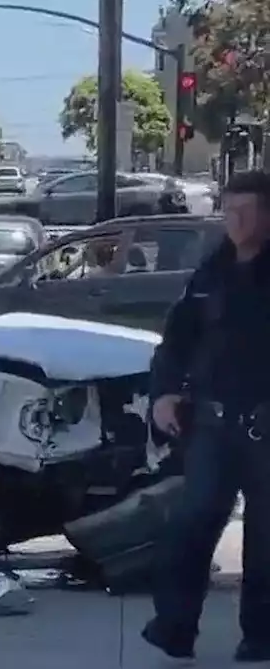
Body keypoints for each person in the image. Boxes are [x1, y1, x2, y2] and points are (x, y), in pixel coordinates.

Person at [143, 169, 270, 662]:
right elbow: (175, 343)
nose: (235, 221)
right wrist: (164, 394)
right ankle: (174, 627)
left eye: (247, 211)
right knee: (190, 526)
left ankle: (260, 635)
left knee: (264, 540)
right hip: (213, 426)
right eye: (229, 210)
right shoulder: (210, 272)